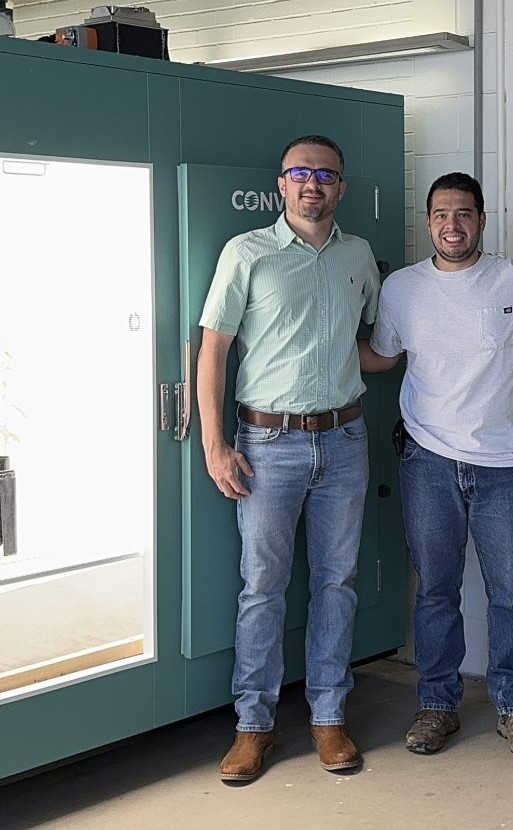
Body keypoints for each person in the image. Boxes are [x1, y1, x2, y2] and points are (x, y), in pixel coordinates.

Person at [360, 172, 513, 759]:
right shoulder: (402, 288)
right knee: (436, 590)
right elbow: (381, 356)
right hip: (427, 461)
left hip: (505, 465)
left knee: (510, 591)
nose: (451, 224)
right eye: (440, 214)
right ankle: (437, 705)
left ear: (482, 220)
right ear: (428, 222)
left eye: (463, 213)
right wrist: (314, 344)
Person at [197, 134, 382, 783]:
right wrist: (214, 444)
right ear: (281, 184)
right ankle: (254, 726)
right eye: (301, 173)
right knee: (262, 588)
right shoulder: (246, 253)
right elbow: (214, 349)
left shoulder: (358, 255)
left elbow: (366, 344)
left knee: (337, 583)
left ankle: (329, 717)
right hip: (266, 447)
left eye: (325, 175)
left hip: (345, 441)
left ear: (341, 188)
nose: (313, 185)